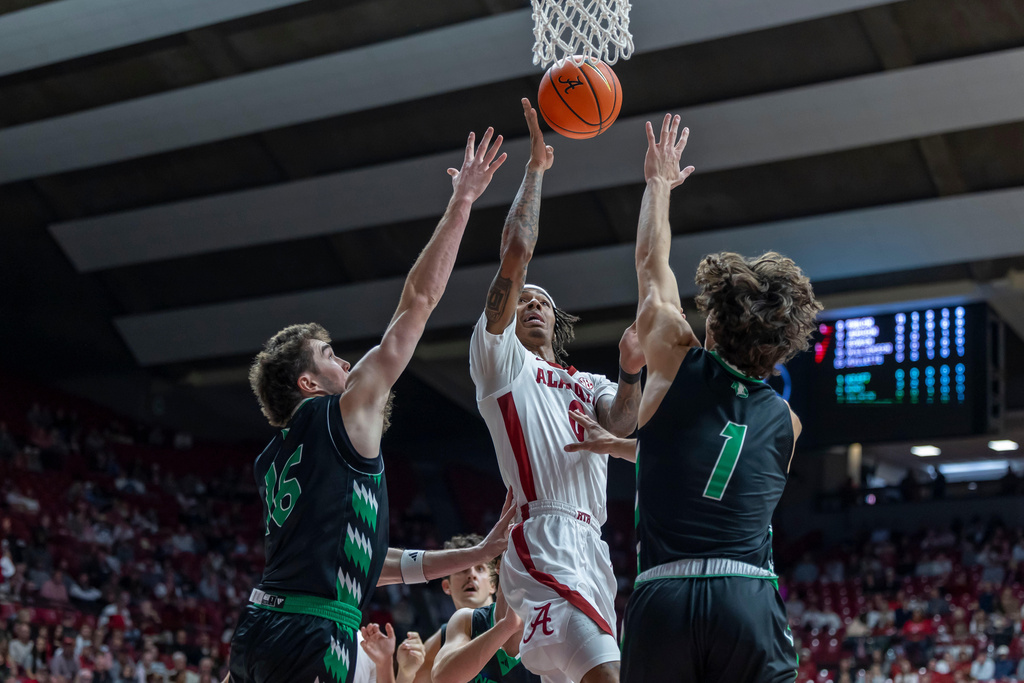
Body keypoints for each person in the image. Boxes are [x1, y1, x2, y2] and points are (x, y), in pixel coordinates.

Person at [228, 126, 515, 683]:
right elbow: (418, 303)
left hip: (260, 625)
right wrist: (462, 202)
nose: (346, 363)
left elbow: (367, 564)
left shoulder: (275, 459)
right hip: (314, 636)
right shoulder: (335, 415)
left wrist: (475, 550)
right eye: (331, 356)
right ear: (309, 384)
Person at [566, 115, 821, 682]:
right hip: (746, 598)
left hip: (665, 596)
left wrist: (659, 186)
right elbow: (720, 468)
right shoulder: (787, 422)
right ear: (779, 355)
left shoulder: (675, 357)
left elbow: (650, 266)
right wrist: (627, 448)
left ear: (712, 325)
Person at [469, 99, 644, 683]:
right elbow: (515, 256)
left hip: (591, 543)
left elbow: (622, 424)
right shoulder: (501, 362)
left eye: (542, 299)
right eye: (522, 299)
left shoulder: (583, 380)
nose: (532, 303)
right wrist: (536, 170)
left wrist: (629, 370)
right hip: (543, 536)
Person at [432, 556, 540, 683]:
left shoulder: (552, 631)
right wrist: (506, 627)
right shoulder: (467, 620)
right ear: (500, 565)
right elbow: (442, 678)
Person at [411, 534, 499, 683]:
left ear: (493, 585)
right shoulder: (437, 644)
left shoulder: (515, 619)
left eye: (480, 568)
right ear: (447, 586)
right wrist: (403, 670)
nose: (471, 575)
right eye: (463, 569)